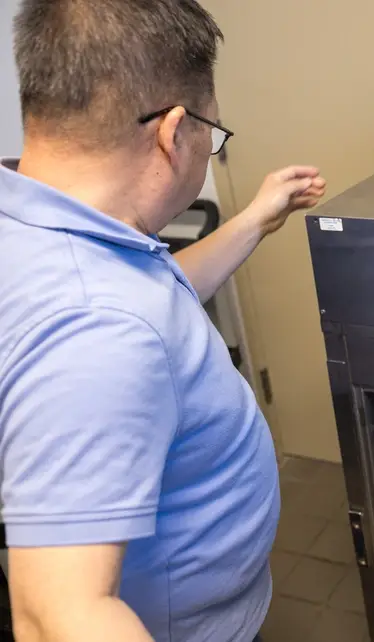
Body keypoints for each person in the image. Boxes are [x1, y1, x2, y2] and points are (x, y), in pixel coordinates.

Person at [0, 1, 326, 640]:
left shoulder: (43, 222)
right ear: (174, 132)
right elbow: (56, 615)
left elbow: (158, 293)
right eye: (214, 131)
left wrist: (254, 218)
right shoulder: (98, 326)